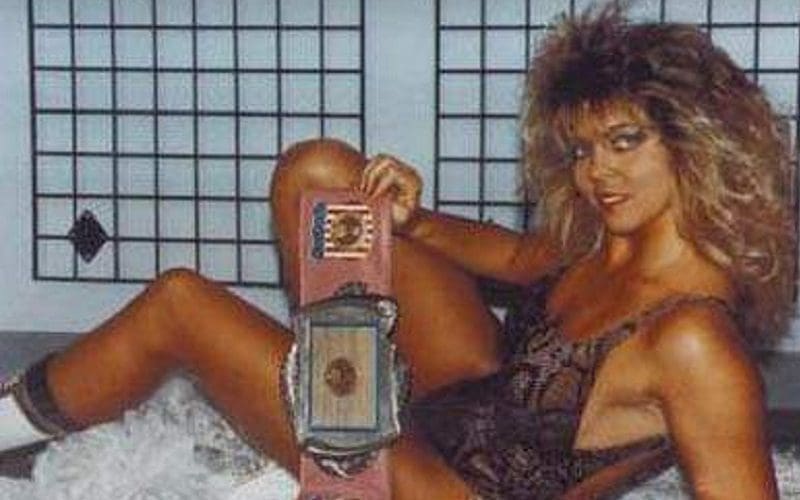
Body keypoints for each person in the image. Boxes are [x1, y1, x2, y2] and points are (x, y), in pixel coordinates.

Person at [0, 4, 795, 499]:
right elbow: (518, 258)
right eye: (583, 150)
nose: (598, 173)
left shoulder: (694, 341)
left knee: (182, 304)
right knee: (322, 175)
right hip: (469, 398)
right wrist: (411, 221)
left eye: (625, 142)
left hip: (441, 487)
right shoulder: (616, 232)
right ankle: (333, 424)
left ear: (699, 142)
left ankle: (5, 424)